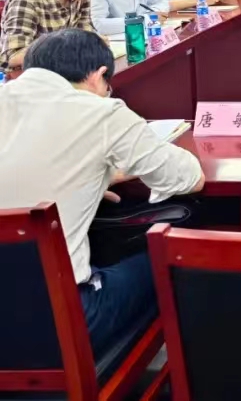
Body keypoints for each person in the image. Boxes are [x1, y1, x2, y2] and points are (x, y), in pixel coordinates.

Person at [0, 29, 204, 360]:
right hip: (54, 328)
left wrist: (93, 177)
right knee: (170, 259)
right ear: (100, 76)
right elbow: (188, 178)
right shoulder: (100, 112)